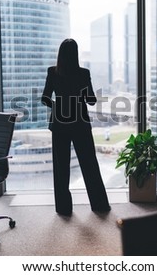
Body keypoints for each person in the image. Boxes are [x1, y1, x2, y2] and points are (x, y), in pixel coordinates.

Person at [41, 38, 111, 216]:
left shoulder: (53, 72)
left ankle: (63, 209)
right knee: (90, 165)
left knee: (61, 168)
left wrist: (59, 105)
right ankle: (100, 205)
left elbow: (45, 98)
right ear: (76, 54)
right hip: (80, 124)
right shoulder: (83, 73)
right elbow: (91, 100)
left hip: (59, 125)